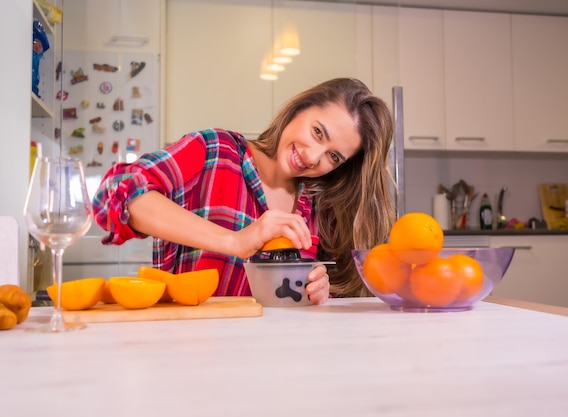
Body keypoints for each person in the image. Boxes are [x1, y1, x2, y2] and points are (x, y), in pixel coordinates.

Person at [92, 78, 395, 303]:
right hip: (191, 355)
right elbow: (115, 194)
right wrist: (237, 241)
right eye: (317, 132)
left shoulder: (318, 208)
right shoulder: (214, 151)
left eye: (333, 156)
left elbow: (293, 309)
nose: (314, 156)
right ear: (299, 108)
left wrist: (318, 292)